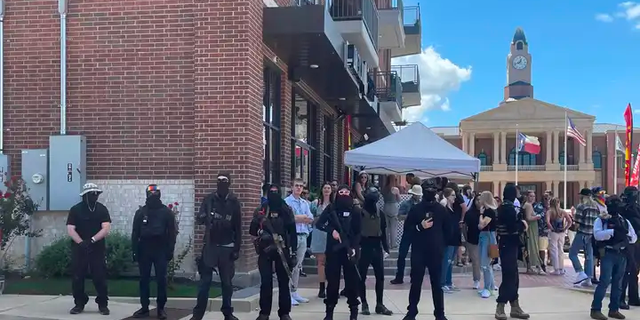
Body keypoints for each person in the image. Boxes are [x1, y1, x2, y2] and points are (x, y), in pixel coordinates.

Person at [190, 173, 242, 320]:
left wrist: (237, 248)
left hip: (227, 247)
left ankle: (228, 313)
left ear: (229, 183)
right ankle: (198, 314)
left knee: (226, 284)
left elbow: (238, 228)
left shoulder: (234, 202)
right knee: (204, 283)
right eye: (219, 181)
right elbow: (199, 218)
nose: (221, 184)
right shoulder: (209, 200)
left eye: (224, 181)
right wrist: (204, 218)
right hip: (211, 246)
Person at [403, 179, 450, 320]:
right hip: (419, 252)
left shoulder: (441, 210)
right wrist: (419, 227)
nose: (431, 193)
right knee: (416, 283)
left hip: (436, 252)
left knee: (437, 284)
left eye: (433, 190)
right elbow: (407, 230)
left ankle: (440, 313)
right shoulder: (416, 209)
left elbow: (448, 231)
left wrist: (441, 245)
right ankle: (412, 311)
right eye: (428, 190)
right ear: (423, 192)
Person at [250, 184, 297, 320]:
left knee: (283, 282)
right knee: (266, 282)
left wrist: (293, 254)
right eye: (271, 192)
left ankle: (284, 312)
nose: (274, 194)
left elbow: (292, 233)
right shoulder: (261, 210)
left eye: (276, 192)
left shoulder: (286, 210)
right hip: (266, 250)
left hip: (282, 250)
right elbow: (252, 229)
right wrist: (261, 233)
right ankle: (264, 312)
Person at [315, 185, 362, 320]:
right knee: (333, 283)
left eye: (346, 192)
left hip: (350, 250)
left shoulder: (356, 210)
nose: (344, 194)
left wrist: (353, 247)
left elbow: (359, 232)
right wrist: (332, 231)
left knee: (352, 282)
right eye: (341, 192)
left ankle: (353, 311)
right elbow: (319, 224)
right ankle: (329, 312)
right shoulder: (331, 208)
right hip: (333, 250)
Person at [131, 185, 177, 319]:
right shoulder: (141, 212)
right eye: (150, 193)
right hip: (144, 249)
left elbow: (172, 233)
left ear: (159, 194)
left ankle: (161, 308)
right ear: (147, 195)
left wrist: (170, 250)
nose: (153, 195)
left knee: (161, 280)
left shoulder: (166, 212)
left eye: (155, 193)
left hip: (160, 249)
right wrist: (134, 251)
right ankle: (144, 308)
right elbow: (135, 233)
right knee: (144, 279)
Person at [66, 183, 112, 315]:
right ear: (85, 195)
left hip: (97, 248)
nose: (95, 196)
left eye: (96, 194)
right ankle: (79, 303)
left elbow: (106, 228)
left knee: (100, 277)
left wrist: (92, 240)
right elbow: (70, 228)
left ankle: (103, 304)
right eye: (92, 194)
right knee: (77, 277)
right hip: (79, 249)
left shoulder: (102, 209)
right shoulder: (75, 210)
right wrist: (81, 242)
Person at [590, 195, 638, 320]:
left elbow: (633, 237)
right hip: (608, 253)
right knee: (604, 281)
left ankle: (614, 309)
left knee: (618, 283)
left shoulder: (623, 220)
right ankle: (595, 309)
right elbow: (597, 235)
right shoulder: (602, 220)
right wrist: (612, 233)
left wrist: (624, 235)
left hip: (621, 254)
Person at [494, 183, 529, 320]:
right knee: (509, 276)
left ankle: (515, 305)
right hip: (508, 243)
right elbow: (511, 228)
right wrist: (523, 225)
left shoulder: (506, 207)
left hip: (508, 244)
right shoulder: (508, 209)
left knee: (514, 276)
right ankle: (501, 305)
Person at [358, 187, 393, 316]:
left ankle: (379, 304)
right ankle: (364, 303)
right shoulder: (360, 212)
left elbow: (383, 232)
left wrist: (386, 248)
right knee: (361, 277)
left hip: (376, 246)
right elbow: (355, 232)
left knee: (380, 277)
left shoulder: (381, 213)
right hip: (364, 246)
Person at [285, 178, 314, 305]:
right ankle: (287, 293)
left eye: (301, 186)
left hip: (303, 235)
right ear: (291, 187)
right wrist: (301, 218)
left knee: (298, 266)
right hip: (292, 236)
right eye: (296, 186)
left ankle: (294, 291)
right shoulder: (286, 202)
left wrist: (300, 218)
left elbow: (310, 218)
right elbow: (287, 218)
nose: (298, 188)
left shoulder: (305, 203)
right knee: (290, 264)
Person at [391, 185, 423, 284]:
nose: (417, 197)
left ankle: (414, 276)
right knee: (402, 254)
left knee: (416, 256)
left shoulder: (422, 205)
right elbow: (399, 216)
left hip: (418, 231)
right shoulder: (406, 204)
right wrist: (409, 216)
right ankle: (399, 276)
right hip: (408, 231)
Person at [569, 188, 599, 287]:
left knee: (572, 253)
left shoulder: (581, 206)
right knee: (589, 256)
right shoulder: (596, 207)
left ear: (583, 196)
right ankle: (588, 278)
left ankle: (580, 272)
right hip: (592, 234)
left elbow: (577, 223)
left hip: (582, 233)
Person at [311, 182, 333, 298]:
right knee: (321, 262)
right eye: (325, 188)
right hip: (319, 234)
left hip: (330, 234)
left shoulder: (334, 204)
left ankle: (331, 287)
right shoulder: (316, 203)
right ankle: (321, 288)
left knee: (332, 263)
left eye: (329, 188)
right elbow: (310, 218)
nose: (327, 190)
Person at [620, 186, 640, 309]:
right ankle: (620, 298)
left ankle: (633, 297)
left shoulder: (637, 207)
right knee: (624, 272)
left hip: (637, 243)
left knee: (634, 271)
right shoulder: (622, 208)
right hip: (626, 242)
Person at [441, 188, 463, 293]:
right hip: (448, 239)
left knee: (451, 262)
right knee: (446, 261)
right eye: (452, 195)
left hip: (455, 237)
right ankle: (442, 283)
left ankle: (448, 282)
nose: (454, 197)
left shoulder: (454, 208)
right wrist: (443, 201)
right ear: (447, 197)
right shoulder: (444, 208)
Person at [477, 191, 498, 299]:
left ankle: (488, 288)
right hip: (487, 237)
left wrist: (480, 214)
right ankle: (491, 285)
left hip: (488, 238)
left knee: (486, 264)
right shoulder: (489, 210)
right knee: (487, 264)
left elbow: (481, 225)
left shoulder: (489, 212)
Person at [546, 197, 571, 275]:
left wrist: (551, 228)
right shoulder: (563, 211)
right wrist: (565, 228)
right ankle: (561, 268)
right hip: (562, 232)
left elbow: (547, 222)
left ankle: (556, 269)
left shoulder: (550, 212)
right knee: (561, 250)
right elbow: (570, 221)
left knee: (554, 250)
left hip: (553, 232)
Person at [463, 194, 482, 291]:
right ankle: (476, 279)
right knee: (476, 261)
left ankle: (489, 281)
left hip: (485, 239)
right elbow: (464, 226)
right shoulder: (470, 213)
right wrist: (466, 238)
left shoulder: (487, 212)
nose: (479, 201)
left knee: (488, 262)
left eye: (481, 199)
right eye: (477, 200)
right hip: (473, 239)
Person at [382, 176, 401, 249]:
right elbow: (399, 199)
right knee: (393, 227)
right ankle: (393, 244)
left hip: (386, 207)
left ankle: (386, 243)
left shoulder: (384, 189)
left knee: (386, 227)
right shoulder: (395, 189)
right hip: (394, 207)